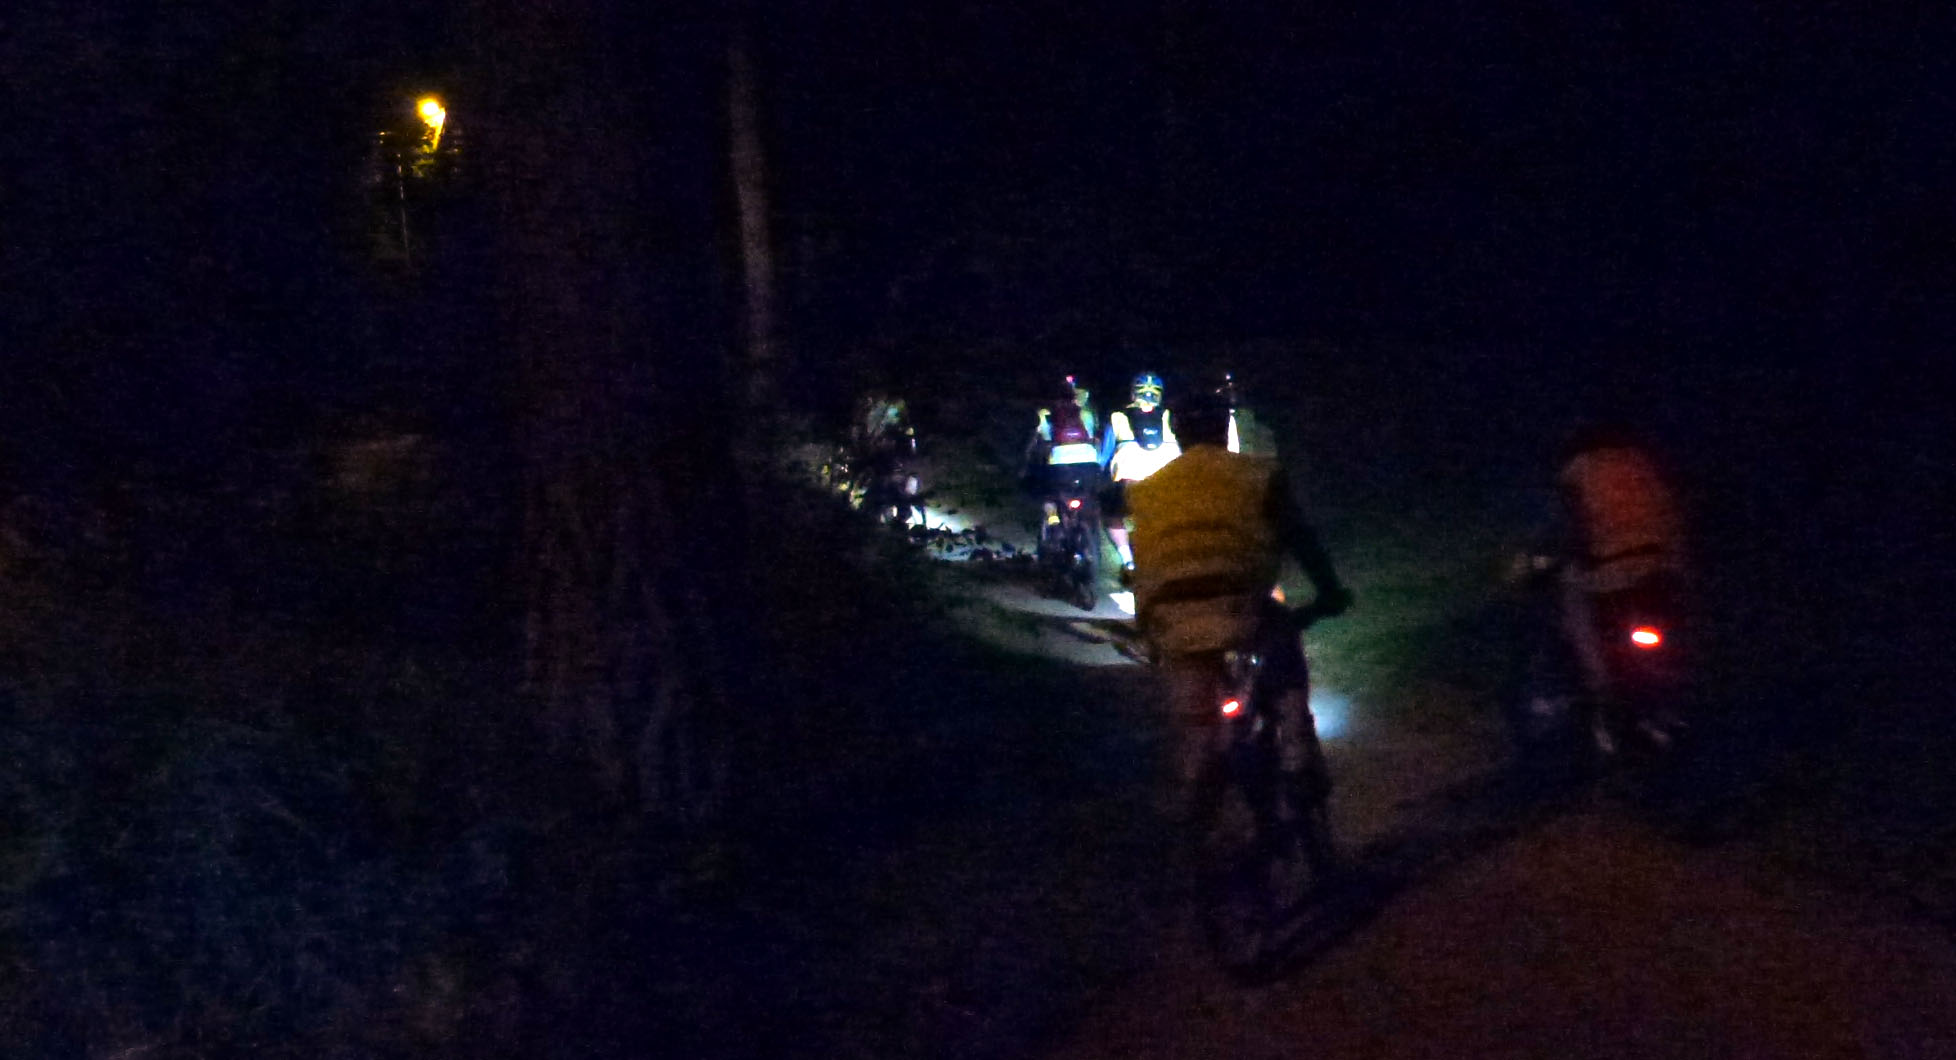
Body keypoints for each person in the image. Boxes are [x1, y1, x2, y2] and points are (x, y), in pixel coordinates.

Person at [1118, 391, 1352, 839]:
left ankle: (1194, 831)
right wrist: (1329, 594)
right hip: (1241, 603)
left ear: (1178, 433)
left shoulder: (1146, 490)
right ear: (1224, 429)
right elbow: (1300, 538)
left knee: (1198, 729)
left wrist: (1149, 623)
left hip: (1172, 616)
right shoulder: (1259, 472)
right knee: (1281, 641)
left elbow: (1141, 559)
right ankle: (1296, 747)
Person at [1548, 421, 1687, 699]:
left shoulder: (1576, 472)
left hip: (1612, 570)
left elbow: (1566, 527)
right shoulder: (1642, 463)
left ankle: (1598, 685)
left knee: (1571, 598)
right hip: (1661, 566)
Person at [1100, 371, 1181, 569]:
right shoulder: (1170, 416)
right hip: (1168, 479)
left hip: (1130, 482)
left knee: (1112, 516)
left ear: (1133, 394)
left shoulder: (1117, 416)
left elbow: (1104, 455)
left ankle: (1128, 561)